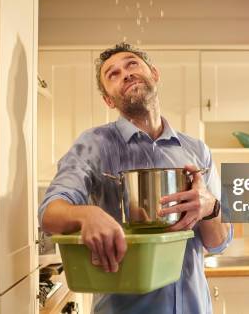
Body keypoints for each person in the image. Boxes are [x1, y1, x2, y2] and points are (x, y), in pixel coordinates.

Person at [38, 42, 232, 314]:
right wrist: (87, 215)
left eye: (132, 64)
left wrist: (210, 207)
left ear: (154, 74)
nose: (125, 74)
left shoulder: (196, 150)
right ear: (108, 100)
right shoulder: (95, 144)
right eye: (112, 74)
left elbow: (219, 242)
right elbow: (49, 213)